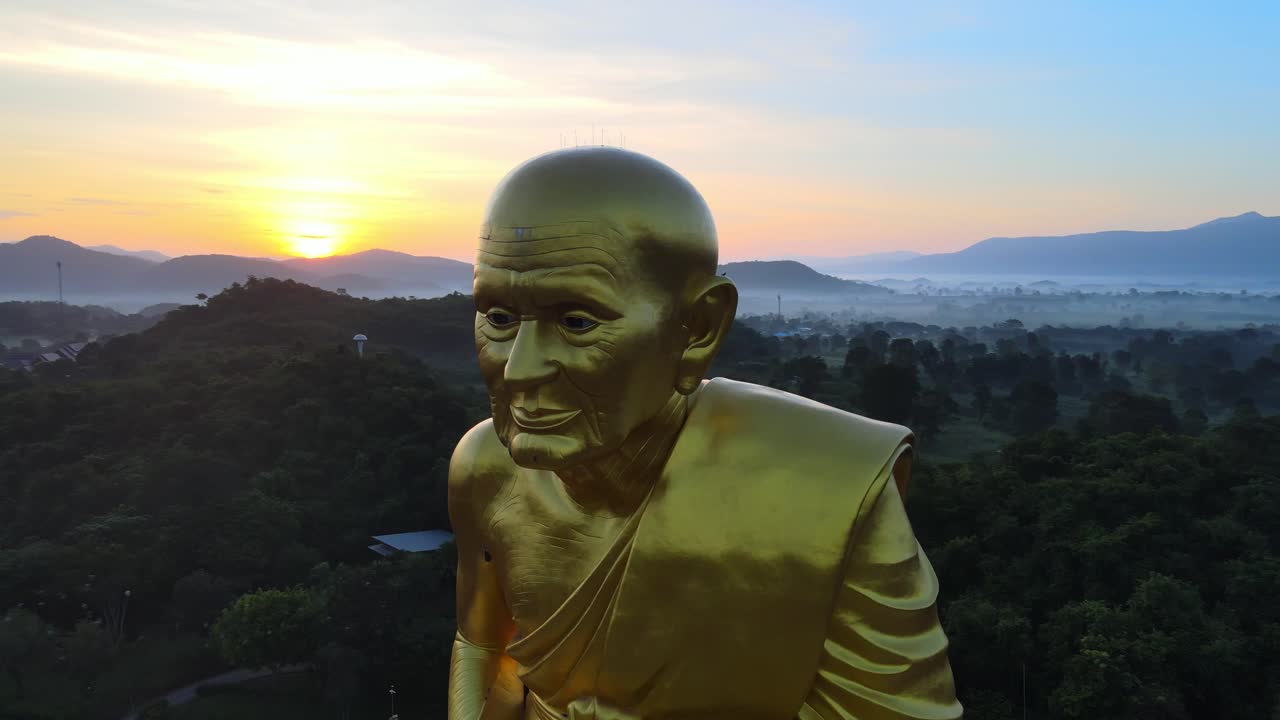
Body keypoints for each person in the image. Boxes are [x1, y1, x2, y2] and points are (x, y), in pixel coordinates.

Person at [448, 147, 960, 720]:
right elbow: (482, 643)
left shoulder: (831, 489)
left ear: (698, 328)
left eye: (577, 322)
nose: (518, 370)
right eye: (498, 318)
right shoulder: (484, 467)